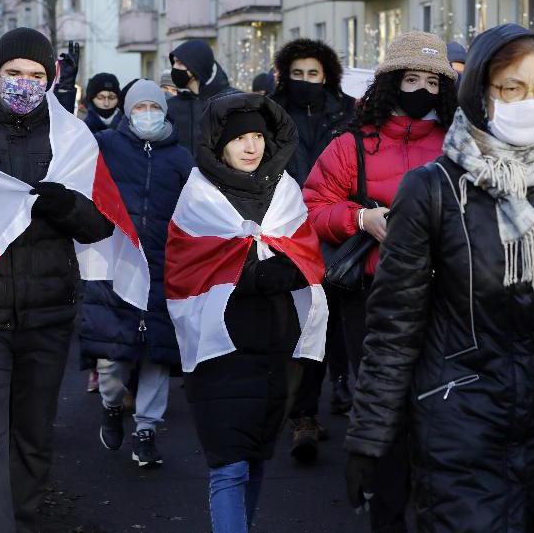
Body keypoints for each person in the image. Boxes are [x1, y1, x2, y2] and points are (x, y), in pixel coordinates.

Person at [343, 23, 534, 531]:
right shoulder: (430, 190)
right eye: (512, 87)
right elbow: (393, 329)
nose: (529, 102)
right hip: (456, 426)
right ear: (480, 91)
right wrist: (370, 438)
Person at [0, 27, 116, 532]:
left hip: (46, 314)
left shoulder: (71, 137)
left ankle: (21, 521)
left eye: (36, 75)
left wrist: (64, 205)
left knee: (31, 435)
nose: (25, 82)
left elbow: (101, 222)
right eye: (14, 73)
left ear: (52, 79)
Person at [304, 30, 458, 532]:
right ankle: (386, 502)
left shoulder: (458, 142)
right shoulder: (352, 144)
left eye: (433, 82)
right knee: (383, 404)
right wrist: (358, 219)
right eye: (411, 79)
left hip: (447, 292)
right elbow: (314, 205)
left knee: (441, 403)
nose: (422, 90)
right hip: (374, 294)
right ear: (391, 83)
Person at [166, 91, 328, 533]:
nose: (251, 146)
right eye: (240, 139)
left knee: (256, 462)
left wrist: (285, 269)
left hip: (276, 349)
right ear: (220, 144)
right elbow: (184, 272)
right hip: (219, 353)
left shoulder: (286, 191)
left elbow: (308, 258)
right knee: (228, 467)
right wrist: (255, 273)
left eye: (258, 136)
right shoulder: (197, 196)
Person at [79, 79, 193, 468]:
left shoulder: (180, 159)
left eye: (154, 106)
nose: (147, 114)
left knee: (157, 355)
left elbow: (195, 211)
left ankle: (146, 431)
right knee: (113, 355)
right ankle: (112, 406)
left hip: (164, 268)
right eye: (140, 107)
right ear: (128, 112)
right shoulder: (106, 145)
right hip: (117, 264)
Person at [269, 38, 356, 462]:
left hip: (335, 231)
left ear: (328, 77)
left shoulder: (346, 114)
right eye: (298, 74)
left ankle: (326, 403)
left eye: (314, 74)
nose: (305, 82)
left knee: (332, 323)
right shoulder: (270, 113)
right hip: (285, 230)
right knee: (299, 325)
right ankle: (299, 414)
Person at [167, 39, 238, 152]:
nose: (174, 67)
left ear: (196, 67)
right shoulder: (170, 106)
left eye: (180, 63)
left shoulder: (232, 101)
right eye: (174, 62)